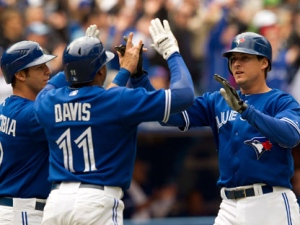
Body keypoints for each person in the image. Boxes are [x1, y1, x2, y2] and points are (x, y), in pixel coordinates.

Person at [33, 18, 194, 225]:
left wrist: (77, 61)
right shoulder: (117, 100)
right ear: (101, 71)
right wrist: (172, 52)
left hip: (57, 202)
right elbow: (184, 95)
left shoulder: (47, 102)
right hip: (96, 200)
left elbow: (73, 88)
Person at [129, 31, 300, 224]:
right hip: (229, 206)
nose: (236, 63)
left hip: (269, 202)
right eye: (233, 58)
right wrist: (138, 77)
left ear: (264, 63)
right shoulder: (219, 99)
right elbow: (168, 115)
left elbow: (291, 136)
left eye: (245, 58)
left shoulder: (281, 101)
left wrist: (246, 111)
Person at [0, 41, 56, 225]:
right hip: (23, 212)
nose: (48, 70)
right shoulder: (30, 115)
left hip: (14, 208)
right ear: (20, 74)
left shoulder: (7, 107)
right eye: (40, 67)